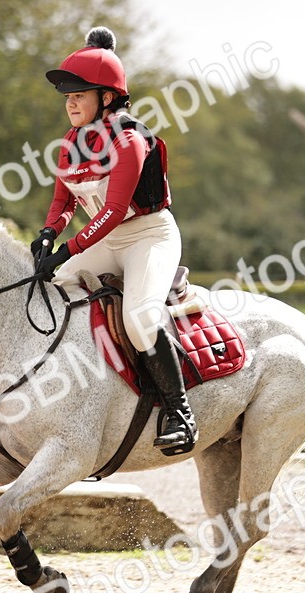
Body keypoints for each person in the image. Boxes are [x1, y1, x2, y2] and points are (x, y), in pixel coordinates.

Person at [33, 26, 197, 456]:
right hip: (105, 240)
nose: (69, 102)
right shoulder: (72, 142)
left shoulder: (129, 140)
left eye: (79, 94)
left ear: (107, 98)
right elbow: (64, 199)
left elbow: (113, 209)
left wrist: (69, 249)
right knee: (44, 290)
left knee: (140, 318)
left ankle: (180, 413)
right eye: (67, 96)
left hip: (148, 237)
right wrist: (49, 234)